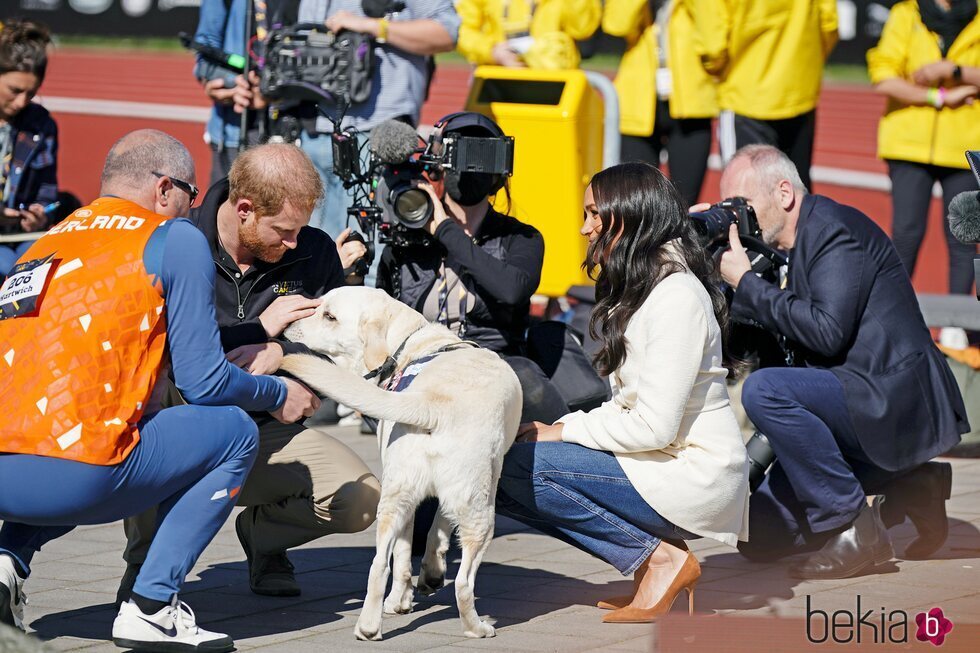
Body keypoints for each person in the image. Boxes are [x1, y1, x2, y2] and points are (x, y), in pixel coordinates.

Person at [0, 129, 320, 651]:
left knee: (79, 419)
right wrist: (275, 393)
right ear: (165, 188)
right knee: (234, 431)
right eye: (192, 197)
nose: (192, 210)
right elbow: (205, 381)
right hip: (79, 478)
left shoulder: (46, 242)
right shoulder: (175, 238)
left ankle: (6, 561)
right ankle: (151, 606)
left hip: (6, 475)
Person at [116, 143, 380, 605]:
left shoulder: (314, 252)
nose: (295, 242)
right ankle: (143, 568)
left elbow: (342, 346)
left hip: (267, 426)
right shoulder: (179, 241)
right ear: (244, 210)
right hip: (183, 418)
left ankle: (264, 538)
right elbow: (164, 347)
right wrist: (254, 331)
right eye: (284, 230)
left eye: (300, 229)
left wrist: (281, 351)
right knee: (147, 403)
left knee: (359, 498)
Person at [496, 161, 750, 623]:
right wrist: (562, 428)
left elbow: (653, 426)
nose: (583, 227)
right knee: (497, 469)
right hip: (660, 464)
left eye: (594, 214)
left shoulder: (676, 298)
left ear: (630, 215)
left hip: (693, 474)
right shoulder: (647, 285)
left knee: (518, 464)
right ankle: (652, 561)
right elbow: (631, 410)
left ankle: (661, 561)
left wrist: (562, 432)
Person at [717, 145, 970, 577]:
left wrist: (746, 284)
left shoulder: (834, 231)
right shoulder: (784, 250)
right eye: (729, 208)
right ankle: (912, 486)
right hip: (851, 403)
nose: (738, 218)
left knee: (765, 391)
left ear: (784, 193)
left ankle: (853, 527)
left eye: (743, 205)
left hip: (889, 400)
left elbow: (825, 332)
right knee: (756, 534)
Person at [376, 112, 569, 425]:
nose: (468, 169)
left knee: (529, 382)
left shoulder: (521, 238)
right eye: (461, 153)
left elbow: (512, 289)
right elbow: (380, 313)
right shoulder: (406, 239)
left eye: (482, 153)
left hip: (492, 366)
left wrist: (444, 230)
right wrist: (348, 272)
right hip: (419, 365)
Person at [295, 0, 460, 281]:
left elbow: (447, 32)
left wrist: (373, 26)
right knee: (309, 261)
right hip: (314, 129)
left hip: (377, 134)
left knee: (370, 265)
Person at [867, 0, 980, 295]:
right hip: (908, 144)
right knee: (906, 234)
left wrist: (953, 71)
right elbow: (883, 77)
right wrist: (938, 96)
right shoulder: (906, 14)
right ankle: (895, 313)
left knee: (964, 238)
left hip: (965, 144)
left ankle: (958, 326)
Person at [690, 0, 838, 191]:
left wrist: (717, 68)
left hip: (745, 95)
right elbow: (829, 23)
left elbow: (712, 46)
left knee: (745, 198)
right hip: (799, 92)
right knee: (798, 199)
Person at [603, 0, 716, 207]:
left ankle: (680, 241)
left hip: (692, 104)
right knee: (637, 206)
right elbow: (616, 24)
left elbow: (713, 37)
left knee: (685, 207)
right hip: (636, 103)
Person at [0, 19, 57, 277]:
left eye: (31, 94)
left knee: (45, 267)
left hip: (22, 234)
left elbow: (47, 192)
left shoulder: (42, 125)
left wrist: (39, 214)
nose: (22, 101)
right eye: (15, 90)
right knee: (6, 270)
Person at [192, 0, 272, 185]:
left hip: (296, 133)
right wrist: (228, 83)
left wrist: (271, 90)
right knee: (228, 210)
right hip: (235, 131)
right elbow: (205, 49)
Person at [456, 0, 600, 70]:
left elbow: (582, 29)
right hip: (498, 78)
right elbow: (461, 29)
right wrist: (492, 51)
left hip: (554, 80)